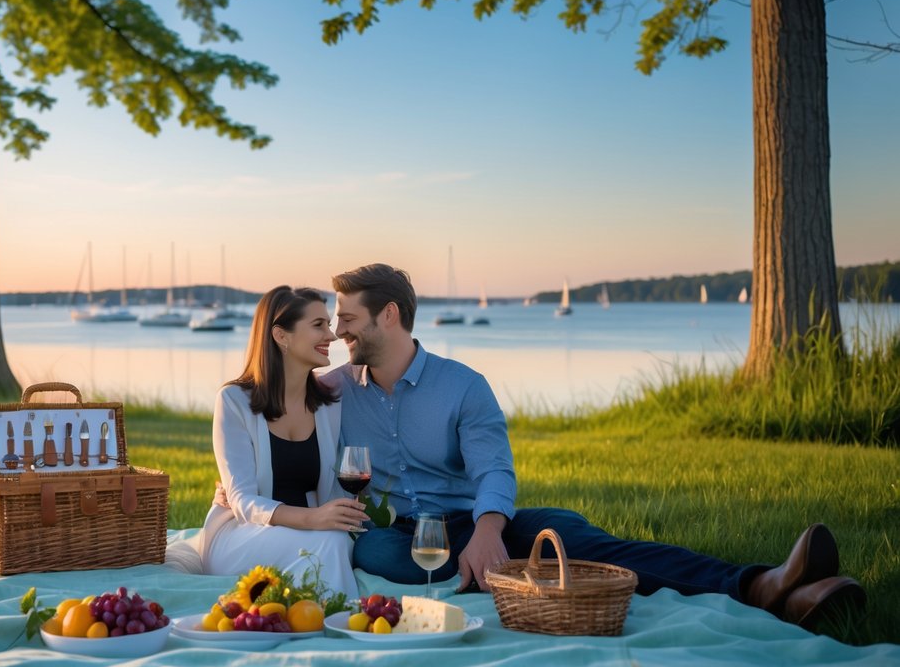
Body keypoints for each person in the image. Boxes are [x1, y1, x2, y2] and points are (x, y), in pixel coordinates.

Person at [321, 263, 865, 629]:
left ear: (387, 315)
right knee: (375, 551)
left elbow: (494, 470)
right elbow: (263, 400)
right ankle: (782, 594)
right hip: (396, 534)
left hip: (474, 520)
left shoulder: (463, 385)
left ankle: (764, 585)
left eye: (347, 317)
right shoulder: (336, 389)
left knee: (574, 538)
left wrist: (488, 532)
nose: (339, 330)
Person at [199, 286, 366, 599]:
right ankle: (341, 623)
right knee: (332, 543)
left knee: (339, 540)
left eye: (328, 325)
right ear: (281, 336)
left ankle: (322, 617)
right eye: (318, 325)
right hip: (239, 535)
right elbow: (243, 502)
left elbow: (331, 489)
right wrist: (314, 519)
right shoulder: (234, 401)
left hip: (308, 531)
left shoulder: (329, 404)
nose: (330, 336)